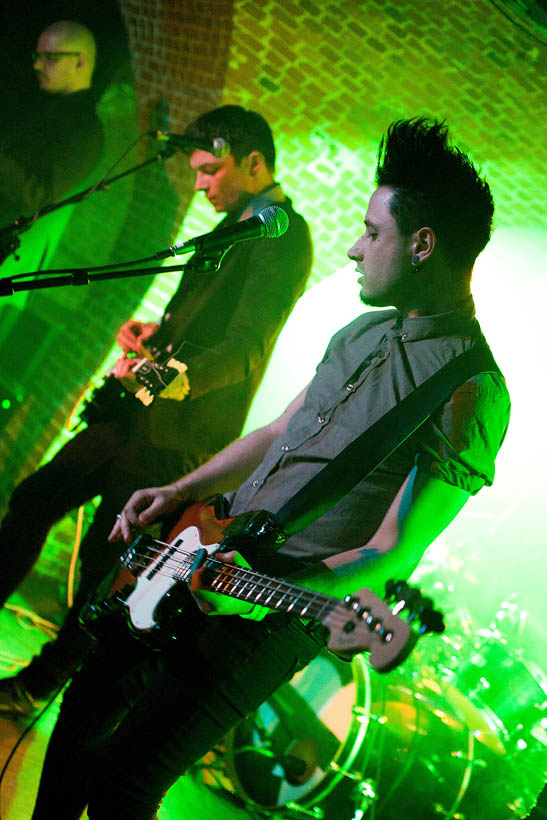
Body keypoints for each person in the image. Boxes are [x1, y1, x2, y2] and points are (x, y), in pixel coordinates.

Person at [29, 117, 510, 820]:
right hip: (201, 550)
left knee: (124, 783)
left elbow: (391, 551)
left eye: (371, 234)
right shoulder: (363, 328)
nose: (353, 247)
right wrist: (181, 491)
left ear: (421, 244)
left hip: (264, 615)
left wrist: (262, 592)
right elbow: (282, 430)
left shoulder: (469, 388)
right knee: (81, 713)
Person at [0, 105, 313, 715]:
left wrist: (180, 376)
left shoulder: (282, 233)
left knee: (105, 559)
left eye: (211, 171)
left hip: (178, 430)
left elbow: (249, 345)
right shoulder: (235, 223)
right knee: (36, 497)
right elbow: (200, 320)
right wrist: (157, 337)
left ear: (253, 162)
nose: (200, 185)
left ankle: (40, 684)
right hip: (139, 409)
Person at [0, 20, 104, 226]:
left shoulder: (87, 131)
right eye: (37, 56)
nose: (37, 65)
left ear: (80, 62)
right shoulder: (37, 98)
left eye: (50, 58)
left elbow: (39, 196)